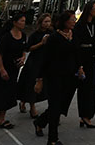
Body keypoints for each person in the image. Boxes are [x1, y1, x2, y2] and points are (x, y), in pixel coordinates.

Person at [34, 11, 84, 145]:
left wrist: (80, 67)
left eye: (75, 19)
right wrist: (39, 80)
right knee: (55, 107)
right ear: (64, 21)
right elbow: (45, 59)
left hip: (70, 77)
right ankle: (52, 139)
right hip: (54, 77)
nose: (74, 21)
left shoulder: (74, 36)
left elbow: (77, 53)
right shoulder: (54, 38)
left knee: (60, 106)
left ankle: (40, 121)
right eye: (72, 19)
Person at [0, 11, 27, 129]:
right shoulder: (6, 37)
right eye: (21, 21)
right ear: (15, 22)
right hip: (0, 67)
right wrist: (2, 70)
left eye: (24, 21)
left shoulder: (23, 36)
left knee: (8, 93)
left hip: (14, 69)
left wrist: (23, 58)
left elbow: (24, 50)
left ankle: (1, 119)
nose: (24, 23)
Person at [74, 1, 95, 128]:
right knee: (83, 87)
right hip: (82, 56)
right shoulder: (80, 25)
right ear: (89, 10)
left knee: (90, 86)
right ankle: (83, 115)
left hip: (91, 56)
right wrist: (78, 65)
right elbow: (77, 43)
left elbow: (94, 38)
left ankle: (87, 116)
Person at [18, 12, 52, 117]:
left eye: (49, 21)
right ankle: (32, 107)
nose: (47, 24)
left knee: (41, 86)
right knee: (31, 84)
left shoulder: (51, 33)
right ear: (40, 22)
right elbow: (29, 48)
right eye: (45, 21)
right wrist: (41, 43)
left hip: (45, 62)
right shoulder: (35, 35)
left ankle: (24, 102)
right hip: (34, 61)